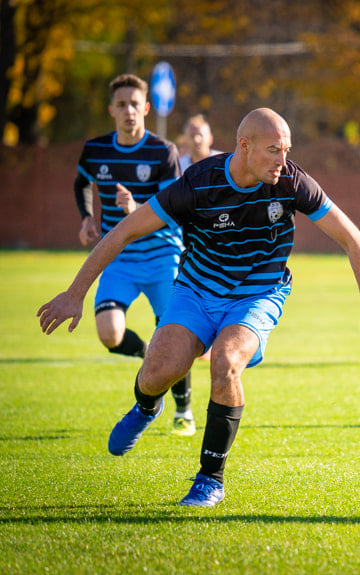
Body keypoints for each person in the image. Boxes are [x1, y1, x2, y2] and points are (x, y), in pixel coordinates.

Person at [39, 108, 360, 508]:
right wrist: (75, 293)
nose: (283, 159)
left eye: (287, 149)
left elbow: (353, 239)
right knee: (158, 372)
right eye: (273, 150)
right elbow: (124, 230)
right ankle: (146, 406)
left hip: (258, 295)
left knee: (224, 361)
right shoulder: (198, 184)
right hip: (196, 291)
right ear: (245, 146)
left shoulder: (292, 181)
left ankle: (210, 479)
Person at [73, 74, 196, 437]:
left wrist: (137, 208)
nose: (128, 111)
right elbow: (81, 182)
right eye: (121, 104)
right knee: (110, 334)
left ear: (145, 108)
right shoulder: (96, 150)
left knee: (176, 336)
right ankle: (148, 354)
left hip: (161, 258)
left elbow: (172, 209)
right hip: (120, 259)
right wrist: (85, 218)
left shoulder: (163, 151)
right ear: (112, 110)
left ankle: (183, 410)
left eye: (134, 104)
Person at [178, 113, 223, 363]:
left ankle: (213, 340)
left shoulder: (223, 162)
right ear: (184, 138)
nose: (196, 139)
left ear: (210, 137)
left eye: (200, 133)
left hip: (221, 241)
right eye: (191, 133)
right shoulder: (177, 165)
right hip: (186, 243)